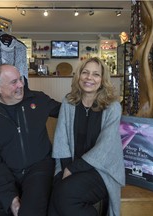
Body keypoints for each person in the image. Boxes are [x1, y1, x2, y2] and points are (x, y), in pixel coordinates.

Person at [0, 64, 61, 216]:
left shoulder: (39, 99)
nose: (21, 85)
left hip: (39, 168)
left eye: (20, 79)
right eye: (13, 82)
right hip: (6, 171)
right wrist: (11, 199)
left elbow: (68, 111)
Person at [49, 57, 125, 216]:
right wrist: (65, 168)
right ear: (79, 76)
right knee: (55, 195)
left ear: (103, 80)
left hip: (102, 170)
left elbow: (106, 147)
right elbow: (61, 139)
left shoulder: (112, 107)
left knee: (63, 194)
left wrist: (73, 169)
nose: (89, 78)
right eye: (85, 72)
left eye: (96, 74)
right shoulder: (68, 102)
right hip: (70, 163)